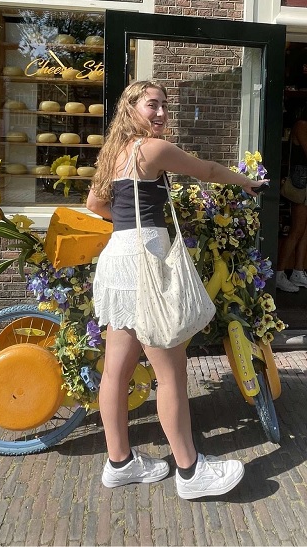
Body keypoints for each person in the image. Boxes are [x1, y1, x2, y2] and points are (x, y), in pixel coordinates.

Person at [86, 80, 268, 500]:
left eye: (165, 106)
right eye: (153, 105)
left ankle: (120, 463)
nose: (162, 113)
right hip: (145, 263)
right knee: (171, 373)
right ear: (131, 107)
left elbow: (94, 205)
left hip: (117, 259)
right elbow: (205, 170)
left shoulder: (113, 153)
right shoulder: (152, 149)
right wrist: (245, 182)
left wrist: (127, 220)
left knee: (115, 371)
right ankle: (189, 471)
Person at [276, 113, 307, 292]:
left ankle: (298, 271)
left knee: (304, 229)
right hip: (300, 184)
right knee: (297, 228)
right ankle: (280, 273)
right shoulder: (301, 125)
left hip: (303, 183)